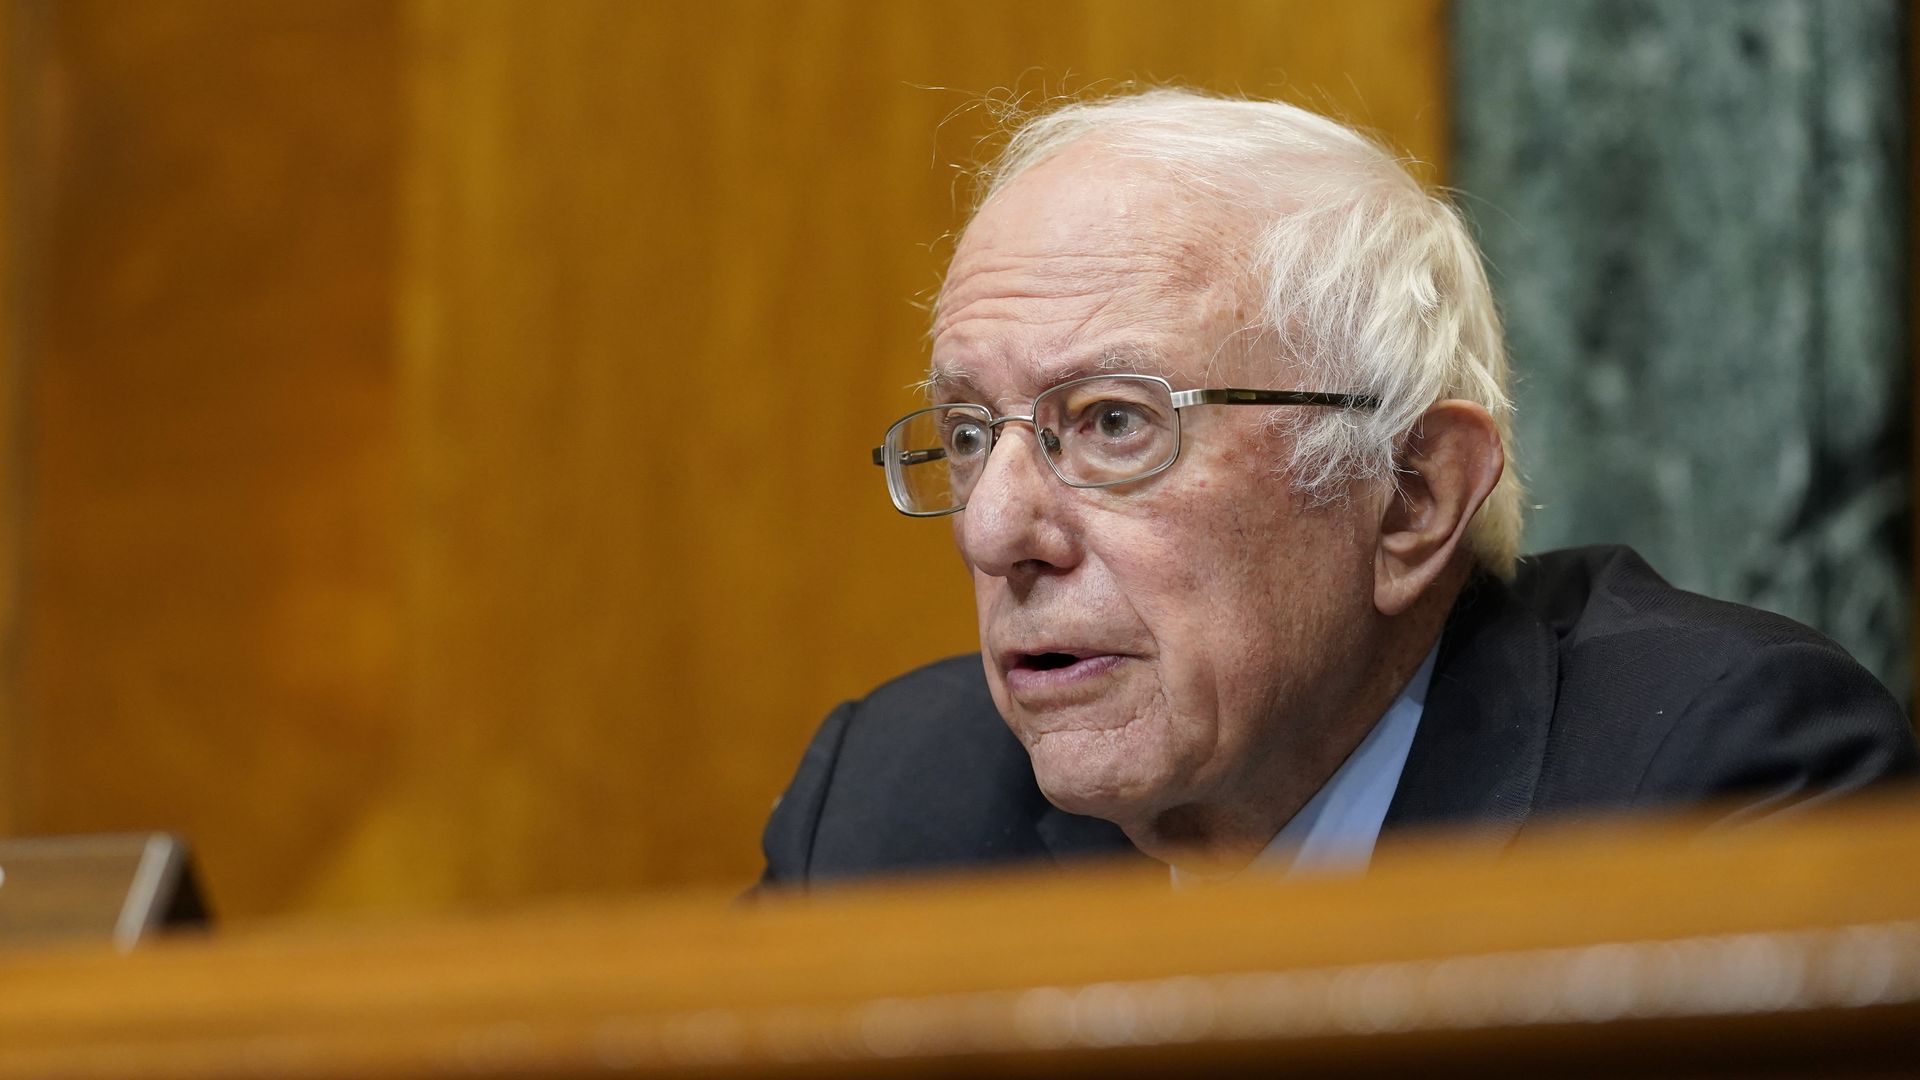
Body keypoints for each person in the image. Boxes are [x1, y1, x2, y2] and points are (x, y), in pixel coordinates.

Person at [760, 89, 1917, 887]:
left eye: (1113, 422)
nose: (994, 526)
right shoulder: (886, 810)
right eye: (970, 434)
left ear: (1412, 495)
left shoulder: (1713, 791)